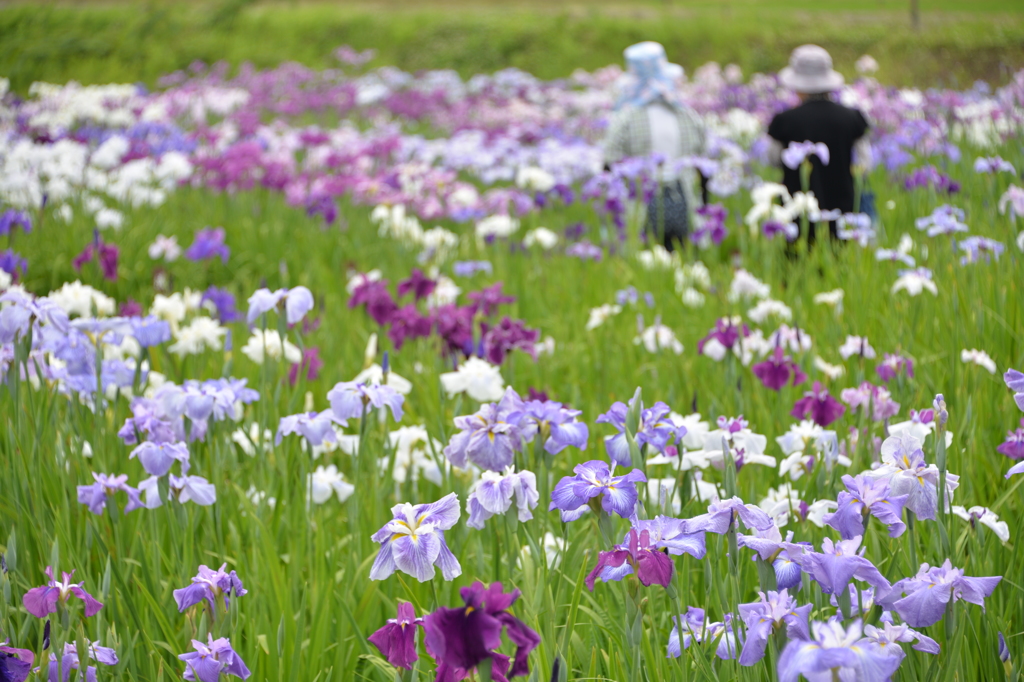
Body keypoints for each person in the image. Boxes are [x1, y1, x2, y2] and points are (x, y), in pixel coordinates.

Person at [602, 41, 705, 252]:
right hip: (681, 195)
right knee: (679, 255)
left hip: (641, 199)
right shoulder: (687, 114)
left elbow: (609, 160)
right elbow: (703, 155)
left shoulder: (627, 118)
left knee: (646, 258)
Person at [767, 45, 871, 247]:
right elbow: (865, 162)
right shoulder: (851, 117)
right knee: (839, 256)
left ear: (797, 85)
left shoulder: (785, 120)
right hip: (843, 207)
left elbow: (774, 159)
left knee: (798, 259)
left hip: (797, 208)